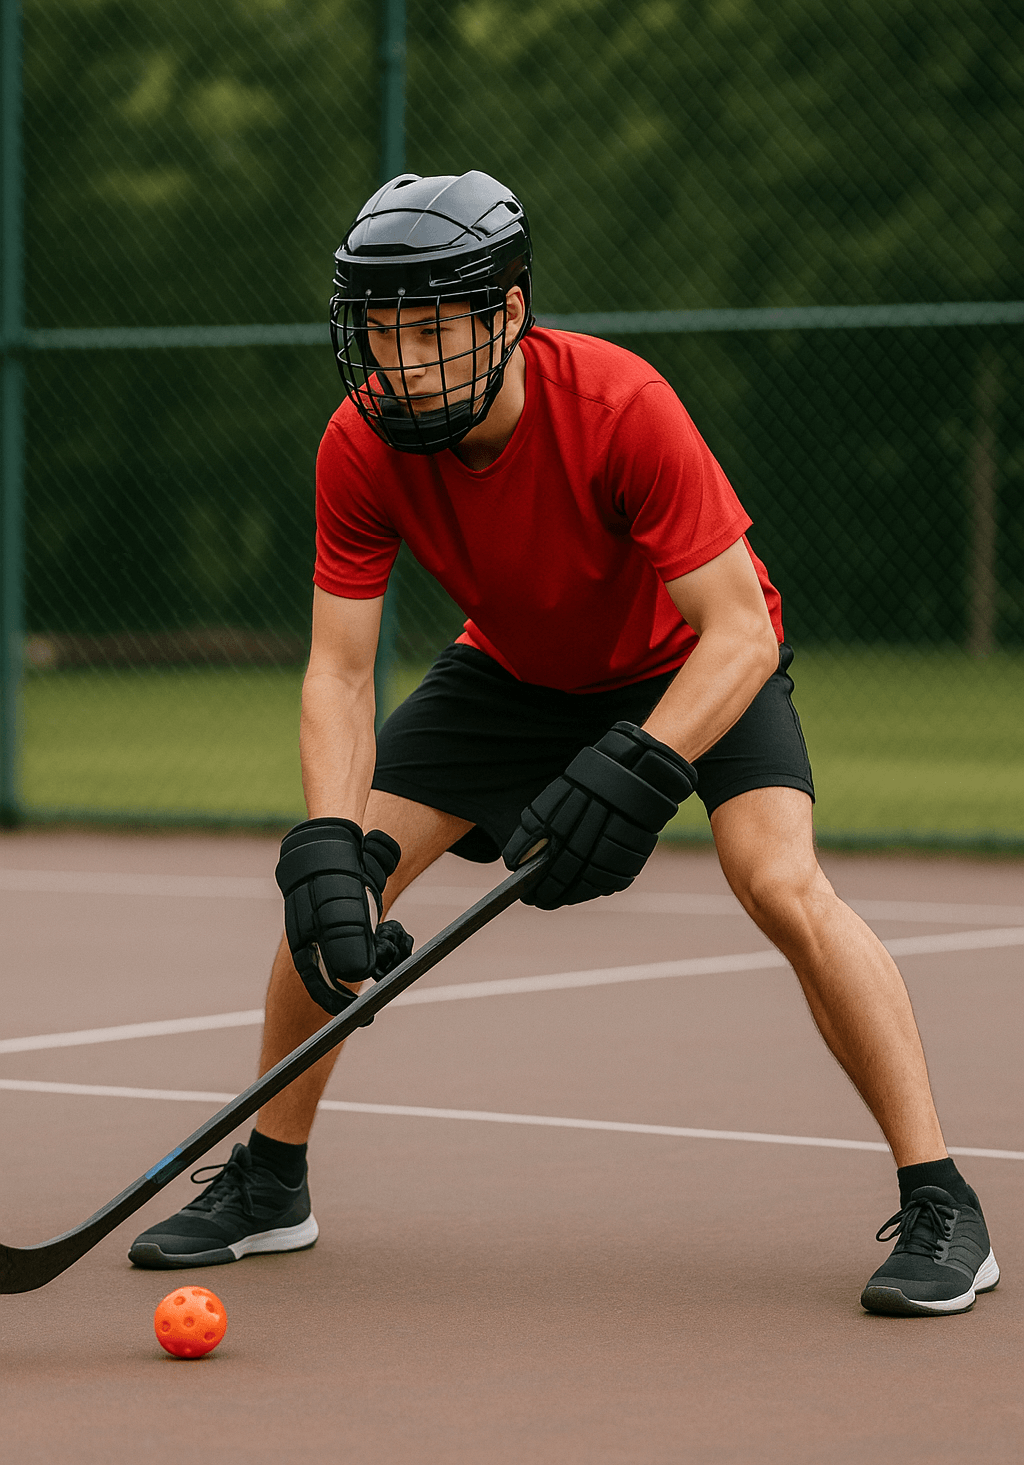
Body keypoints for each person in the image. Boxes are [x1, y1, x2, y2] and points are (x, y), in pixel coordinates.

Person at [130, 170, 997, 1317]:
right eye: (382, 329)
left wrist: (638, 767)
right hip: (515, 671)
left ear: (509, 311)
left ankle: (942, 1202)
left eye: (435, 325)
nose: (405, 359)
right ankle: (269, 1180)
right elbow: (339, 669)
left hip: (686, 663)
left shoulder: (619, 406)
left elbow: (737, 630)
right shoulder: (362, 442)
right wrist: (328, 837)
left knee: (779, 882)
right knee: (337, 891)